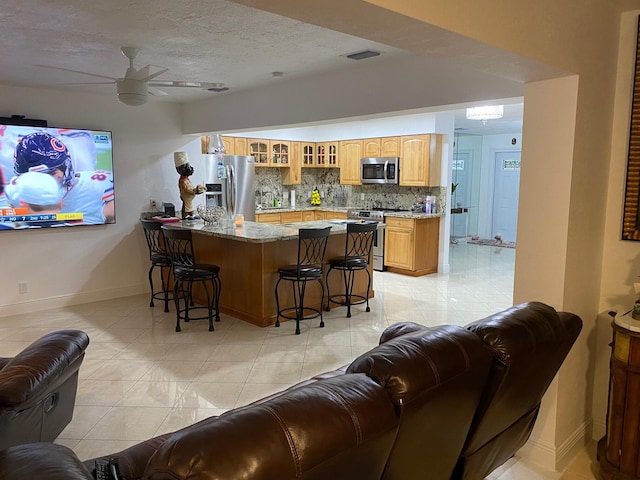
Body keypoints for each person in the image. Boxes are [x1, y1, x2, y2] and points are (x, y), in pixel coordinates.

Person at [11, 131, 114, 224]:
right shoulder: (15, 195)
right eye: (33, 178)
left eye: (50, 174)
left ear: (66, 167)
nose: (43, 183)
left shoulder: (99, 189)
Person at [174, 151, 204, 219]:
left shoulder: (186, 179)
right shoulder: (183, 181)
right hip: (186, 197)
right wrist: (195, 191)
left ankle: (190, 214)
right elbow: (187, 189)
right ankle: (185, 216)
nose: (191, 169)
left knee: (189, 206)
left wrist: (196, 190)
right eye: (188, 167)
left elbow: (190, 188)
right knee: (186, 206)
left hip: (189, 198)